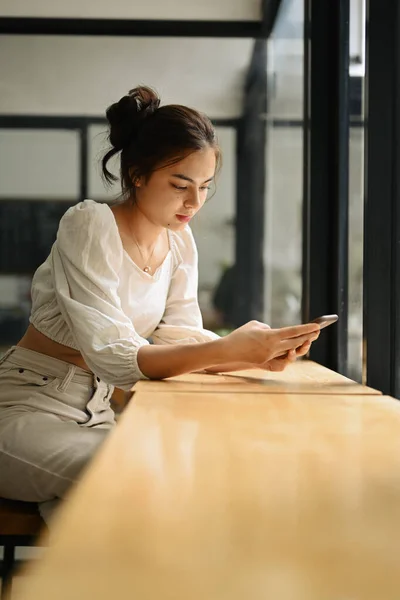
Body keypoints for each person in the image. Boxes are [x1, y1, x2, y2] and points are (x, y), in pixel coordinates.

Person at [0, 86, 320, 521]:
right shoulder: (90, 224)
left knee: (123, 501)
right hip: (28, 406)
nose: (194, 202)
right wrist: (229, 349)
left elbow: (179, 338)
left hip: (97, 414)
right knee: (134, 478)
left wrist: (259, 355)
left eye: (205, 187)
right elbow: (115, 357)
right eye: (180, 184)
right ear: (136, 174)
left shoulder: (179, 242)